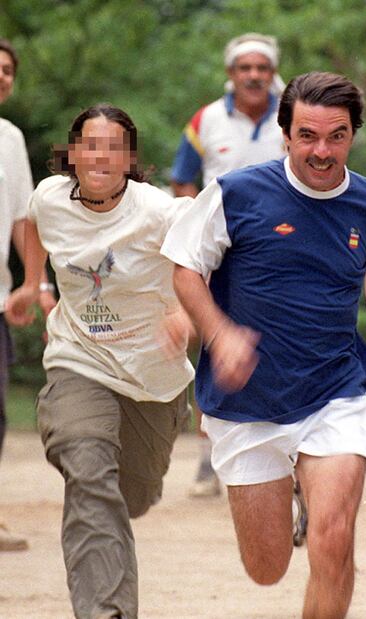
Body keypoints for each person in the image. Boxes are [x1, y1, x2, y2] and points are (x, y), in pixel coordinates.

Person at [161, 71, 366, 619]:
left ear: (353, 135)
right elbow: (185, 268)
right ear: (285, 134)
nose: (322, 151)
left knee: (333, 539)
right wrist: (220, 333)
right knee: (266, 566)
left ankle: (317, 489)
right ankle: (295, 487)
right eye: (308, 136)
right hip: (248, 400)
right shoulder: (235, 193)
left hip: (335, 389)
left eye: (336, 136)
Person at [6, 103, 194, 619]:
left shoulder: (158, 211)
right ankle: (105, 611)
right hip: (79, 360)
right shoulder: (49, 197)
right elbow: (31, 224)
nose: (101, 157)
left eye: (114, 147)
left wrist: (185, 314)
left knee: (130, 495)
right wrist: (31, 282)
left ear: (130, 158)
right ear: (72, 154)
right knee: (88, 472)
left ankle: (134, 484)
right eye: (91, 145)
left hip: (153, 379)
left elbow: (207, 254)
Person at [171, 32, 289, 504]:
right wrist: (196, 231)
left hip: (282, 254)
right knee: (217, 349)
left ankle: (288, 455)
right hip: (219, 256)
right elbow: (181, 182)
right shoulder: (206, 120)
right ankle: (209, 459)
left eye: (262, 67)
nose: (254, 75)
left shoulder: (293, 116)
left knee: (280, 347)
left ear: (272, 72)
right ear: (232, 73)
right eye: (246, 68)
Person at [0, 38, 55, 552]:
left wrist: (35, 283)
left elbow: (23, 218)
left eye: (8, 70)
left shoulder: (10, 138)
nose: (1, 76)